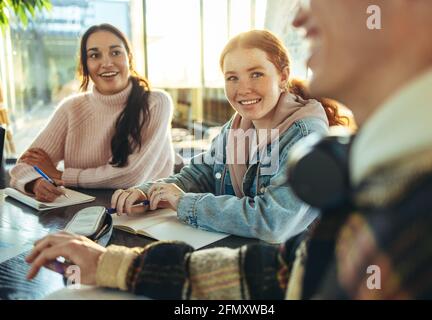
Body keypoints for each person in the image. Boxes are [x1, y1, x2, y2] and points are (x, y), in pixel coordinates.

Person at [27, 0, 432, 300]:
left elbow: (273, 227)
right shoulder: (389, 174)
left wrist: (185, 203)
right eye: (232, 77)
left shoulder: (424, 207)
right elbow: (285, 275)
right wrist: (149, 203)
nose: (301, 15)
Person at [109, 30, 349, 243]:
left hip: (295, 273)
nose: (243, 89)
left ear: (283, 76)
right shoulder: (236, 127)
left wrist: (183, 203)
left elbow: (272, 222)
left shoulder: (305, 136)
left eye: (256, 74)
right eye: (232, 77)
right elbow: (199, 174)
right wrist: (147, 191)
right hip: (243, 255)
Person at [9, 24, 174, 202]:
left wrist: (61, 175)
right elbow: (22, 167)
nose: (107, 63)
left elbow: (132, 176)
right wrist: (36, 183)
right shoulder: (71, 109)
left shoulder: (157, 103)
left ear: (129, 58)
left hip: (145, 217)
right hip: (80, 213)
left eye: (115, 52)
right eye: (95, 55)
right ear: (85, 66)